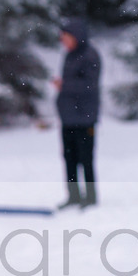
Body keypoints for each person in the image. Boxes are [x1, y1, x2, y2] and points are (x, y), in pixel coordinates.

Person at [53, 17, 101, 208]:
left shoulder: (90, 55)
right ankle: (73, 196)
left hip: (85, 117)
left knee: (85, 158)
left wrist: (65, 86)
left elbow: (90, 85)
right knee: (69, 157)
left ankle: (90, 197)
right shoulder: (69, 56)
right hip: (68, 117)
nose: (63, 41)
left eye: (65, 37)